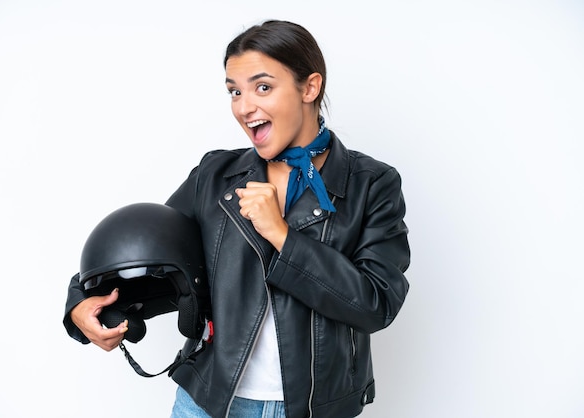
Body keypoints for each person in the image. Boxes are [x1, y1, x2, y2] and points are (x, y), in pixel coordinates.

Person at [63, 19, 410, 418]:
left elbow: (376, 304)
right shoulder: (215, 177)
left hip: (314, 410)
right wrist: (82, 303)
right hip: (207, 403)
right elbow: (156, 259)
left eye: (263, 87)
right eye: (234, 91)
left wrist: (282, 235)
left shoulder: (372, 184)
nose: (244, 107)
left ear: (309, 87)